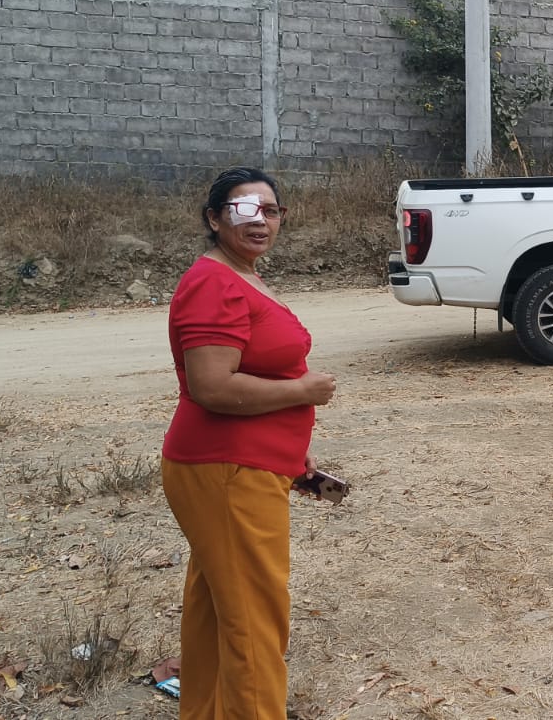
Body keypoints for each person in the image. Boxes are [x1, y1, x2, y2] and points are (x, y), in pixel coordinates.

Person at [160, 167, 337, 718]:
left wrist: (291, 450)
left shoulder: (242, 275)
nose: (261, 220)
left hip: (243, 466)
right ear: (214, 219)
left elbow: (254, 368)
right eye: (244, 209)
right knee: (254, 622)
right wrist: (302, 391)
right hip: (227, 472)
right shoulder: (214, 283)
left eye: (271, 210)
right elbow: (213, 387)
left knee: (219, 609)